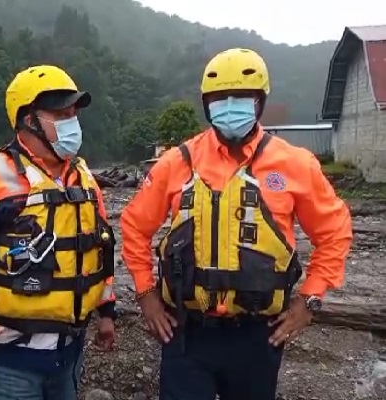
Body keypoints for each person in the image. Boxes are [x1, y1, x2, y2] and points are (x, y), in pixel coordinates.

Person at [120, 48, 352, 400]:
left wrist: (310, 300)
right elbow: (135, 227)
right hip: (186, 332)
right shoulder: (175, 163)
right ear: (205, 103)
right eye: (219, 98)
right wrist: (146, 294)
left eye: (241, 97)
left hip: (258, 334)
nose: (229, 105)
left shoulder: (294, 164)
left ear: (259, 101)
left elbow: (334, 231)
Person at [0, 64, 117, 400]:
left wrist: (106, 311)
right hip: (9, 364)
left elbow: (99, 248)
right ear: (29, 119)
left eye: (74, 111)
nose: (72, 120)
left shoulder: (83, 175)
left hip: (70, 354)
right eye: (60, 112)